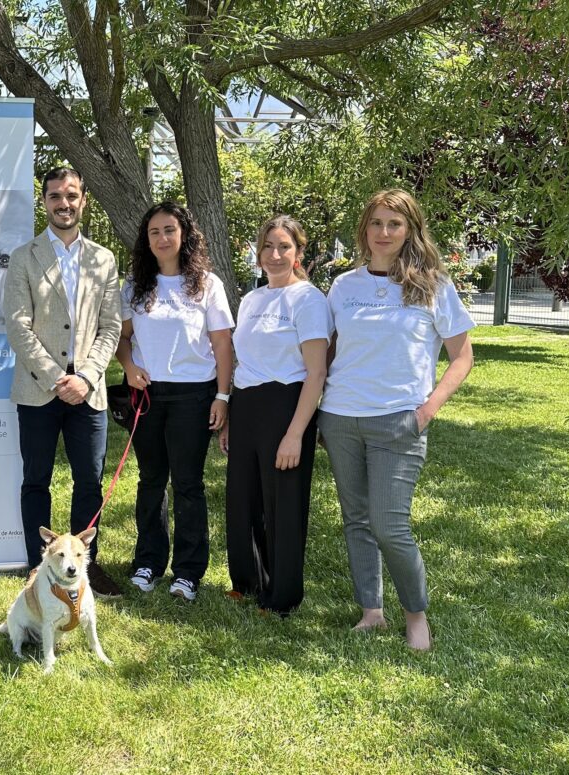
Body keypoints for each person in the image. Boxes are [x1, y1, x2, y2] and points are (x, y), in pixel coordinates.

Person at [318, 189, 474, 651]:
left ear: (410, 230)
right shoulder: (343, 287)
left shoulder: (433, 286)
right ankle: (372, 611)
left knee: (391, 525)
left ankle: (416, 615)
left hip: (399, 421)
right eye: (376, 223)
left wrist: (427, 410)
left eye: (394, 224)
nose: (384, 233)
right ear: (364, 230)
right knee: (357, 520)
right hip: (341, 418)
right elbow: (326, 352)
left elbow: (462, 357)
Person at [4, 167, 124, 598]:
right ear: (45, 201)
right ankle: (39, 570)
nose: (64, 203)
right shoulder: (24, 257)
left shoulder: (104, 259)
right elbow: (18, 326)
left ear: (83, 200)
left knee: (89, 482)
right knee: (35, 479)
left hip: (88, 394)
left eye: (71, 195)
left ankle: (85, 568)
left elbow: (111, 327)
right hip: (39, 390)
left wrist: (87, 377)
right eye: (55, 196)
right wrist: (59, 379)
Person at [116, 202, 234, 602]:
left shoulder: (206, 284)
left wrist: (222, 395)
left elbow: (222, 344)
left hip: (193, 395)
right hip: (147, 395)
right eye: (154, 232)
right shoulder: (134, 285)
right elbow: (122, 338)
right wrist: (129, 367)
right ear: (146, 240)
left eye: (169, 230)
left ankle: (187, 571)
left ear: (184, 235)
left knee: (187, 484)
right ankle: (148, 562)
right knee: (150, 480)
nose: (162, 238)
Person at [220, 215, 329, 616]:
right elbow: (240, 362)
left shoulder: (309, 300)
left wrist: (295, 434)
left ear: (299, 253)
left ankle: (282, 596)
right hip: (247, 404)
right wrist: (232, 416)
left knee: (282, 503)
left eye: (284, 246)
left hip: (287, 405)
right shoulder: (252, 299)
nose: (275, 254)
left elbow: (316, 373)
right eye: (268, 246)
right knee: (243, 498)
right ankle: (247, 582)